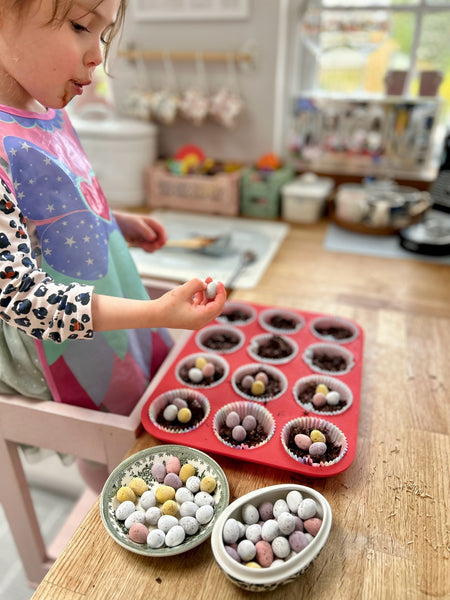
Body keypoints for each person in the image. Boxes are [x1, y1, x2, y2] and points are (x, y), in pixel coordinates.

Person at [0, 0, 227, 422]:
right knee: (103, 440)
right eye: (80, 26)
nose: (99, 55)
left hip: (105, 309)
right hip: (56, 343)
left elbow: (42, 210)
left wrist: (111, 221)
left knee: (120, 425)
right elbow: (22, 298)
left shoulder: (48, 109)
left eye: (103, 35)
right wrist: (156, 313)